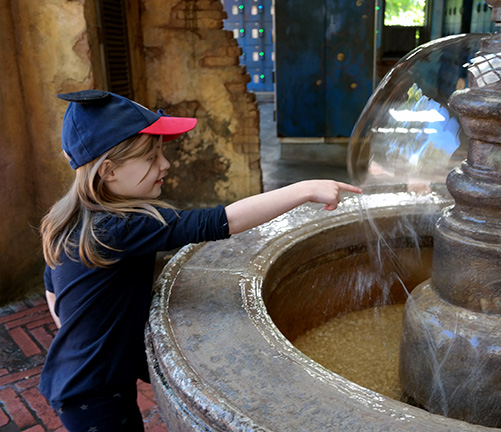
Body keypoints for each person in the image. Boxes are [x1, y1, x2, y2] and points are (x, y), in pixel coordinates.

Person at [39, 90, 361, 431]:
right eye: (151, 157)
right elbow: (220, 221)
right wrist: (304, 190)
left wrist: (85, 337)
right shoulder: (119, 228)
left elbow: (52, 287)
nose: (165, 164)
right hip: (96, 393)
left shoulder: (74, 219)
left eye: (162, 153)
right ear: (109, 171)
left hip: (78, 375)